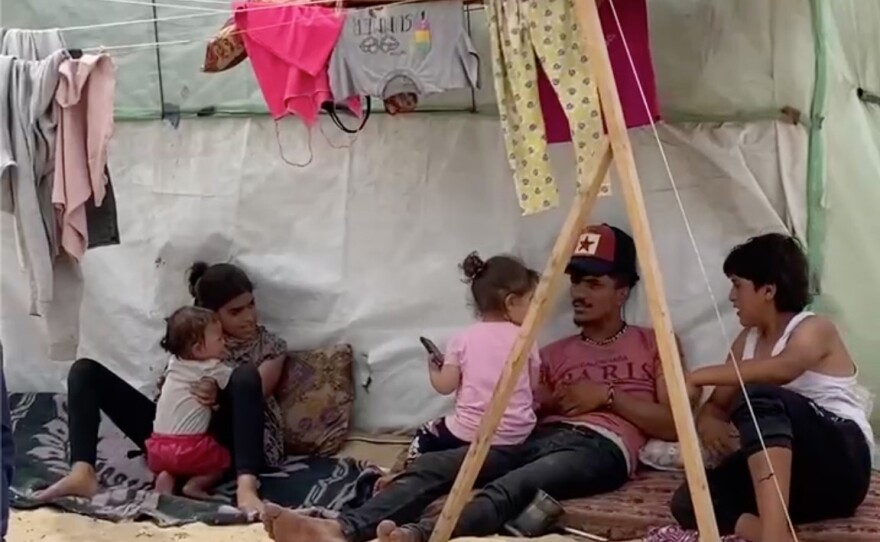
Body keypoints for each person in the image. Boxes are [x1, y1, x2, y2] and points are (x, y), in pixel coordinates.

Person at [262, 223, 686, 542]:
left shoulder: (655, 343)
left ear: (624, 290)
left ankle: (420, 535)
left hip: (601, 447)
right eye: (575, 281)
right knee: (435, 466)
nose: (578, 292)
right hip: (533, 439)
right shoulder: (550, 351)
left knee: (515, 486)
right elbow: (524, 411)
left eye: (593, 283)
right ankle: (340, 529)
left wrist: (607, 397)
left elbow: (673, 424)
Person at [34, 262, 290, 515]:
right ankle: (82, 473)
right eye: (235, 312)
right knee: (84, 371)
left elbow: (255, 392)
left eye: (251, 305)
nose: (249, 317)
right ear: (212, 315)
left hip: (232, 437)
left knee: (245, 375)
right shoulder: (191, 344)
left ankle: (246, 487)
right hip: (177, 436)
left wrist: (218, 396)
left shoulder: (269, 346)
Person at [670, 233, 874, 542]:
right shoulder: (747, 342)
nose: (731, 297)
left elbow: (783, 369)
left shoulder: (814, 328)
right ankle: (775, 537)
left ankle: (774, 533)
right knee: (690, 499)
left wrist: (698, 375)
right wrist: (710, 421)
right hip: (796, 484)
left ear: (768, 290)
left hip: (841, 464)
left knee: (759, 395)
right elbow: (716, 406)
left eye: (738, 285)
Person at [404, 252, 541, 465]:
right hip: (518, 434)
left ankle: (409, 471)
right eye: (532, 301)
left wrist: (434, 370)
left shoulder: (462, 340)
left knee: (427, 432)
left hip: (470, 432)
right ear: (511, 302)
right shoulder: (527, 340)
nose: (536, 309)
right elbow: (533, 386)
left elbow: (446, 386)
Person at [147, 306, 233, 500]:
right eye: (219, 339)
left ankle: (165, 480)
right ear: (198, 349)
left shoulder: (173, 364)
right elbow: (238, 384)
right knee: (222, 460)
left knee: (170, 467)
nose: (224, 342)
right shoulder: (212, 368)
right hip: (191, 448)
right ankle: (195, 486)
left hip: (157, 447)